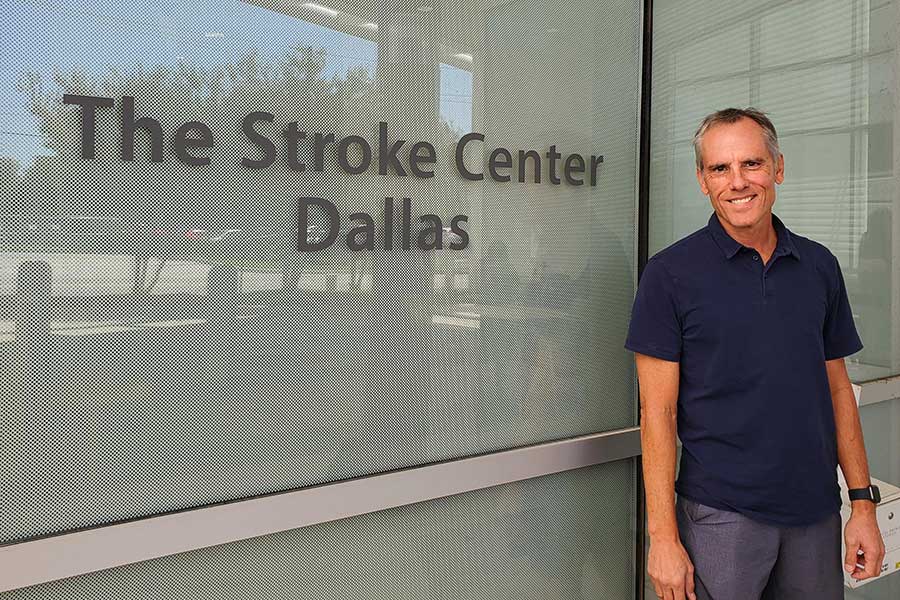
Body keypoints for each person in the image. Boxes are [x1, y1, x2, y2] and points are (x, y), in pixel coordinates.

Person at [625, 108, 885, 599]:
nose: (737, 182)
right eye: (720, 168)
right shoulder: (670, 275)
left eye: (752, 164)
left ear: (778, 169)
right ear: (702, 180)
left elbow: (836, 390)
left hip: (815, 512)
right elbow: (656, 413)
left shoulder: (818, 266)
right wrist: (663, 538)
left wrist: (862, 505)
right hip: (721, 516)